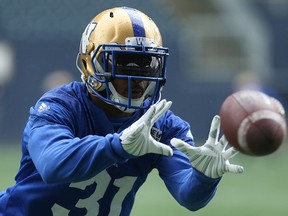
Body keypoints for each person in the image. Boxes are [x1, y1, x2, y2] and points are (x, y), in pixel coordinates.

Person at [0, 7, 243, 216]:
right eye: (124, 62)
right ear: (90, 63)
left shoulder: (162, 124)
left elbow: (188, 196)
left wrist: (205, 178)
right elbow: (53, 165)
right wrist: (118, 146)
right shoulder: (61, 106)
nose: (136, 77)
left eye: (146, 65)